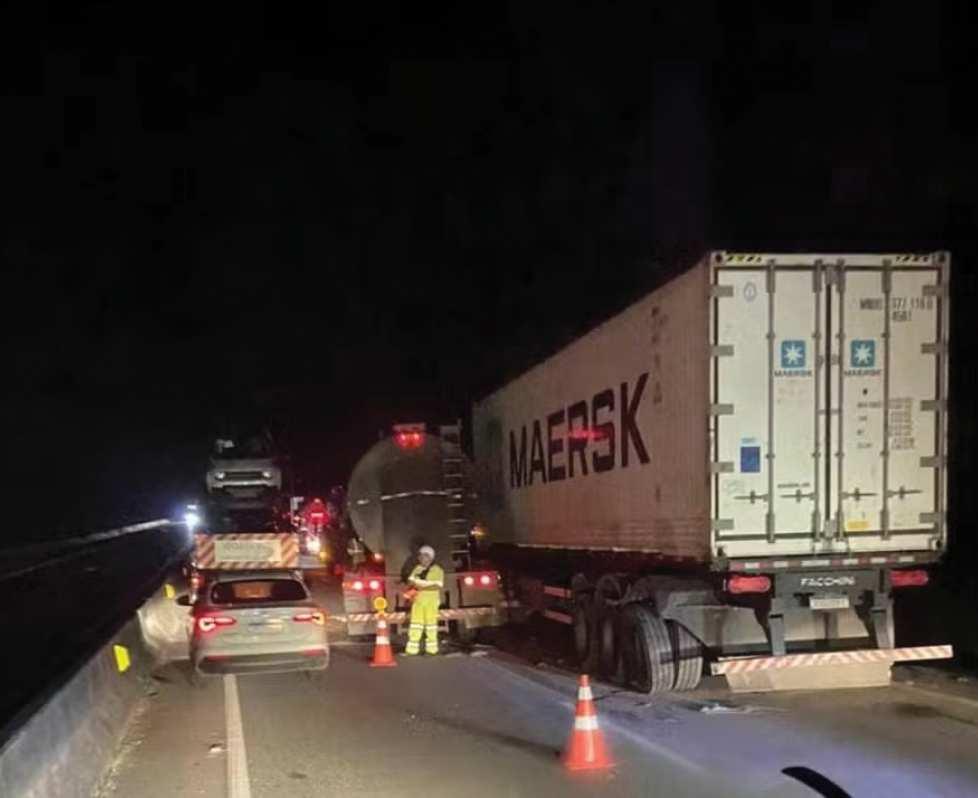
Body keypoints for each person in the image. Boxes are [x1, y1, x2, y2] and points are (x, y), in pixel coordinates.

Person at [404, 545, 444, 656]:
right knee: (415, 625)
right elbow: (410, 581)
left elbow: (437, 586)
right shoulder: (417, 569)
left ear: (430, 557)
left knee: (431, 626)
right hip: (418, 602)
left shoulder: (437, 570)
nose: (421, 558)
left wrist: (420, 587)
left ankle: (432, 650)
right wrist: (412, 586)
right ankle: (412, 650)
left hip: (431, 602)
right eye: (420, 555)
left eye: (424, 555)